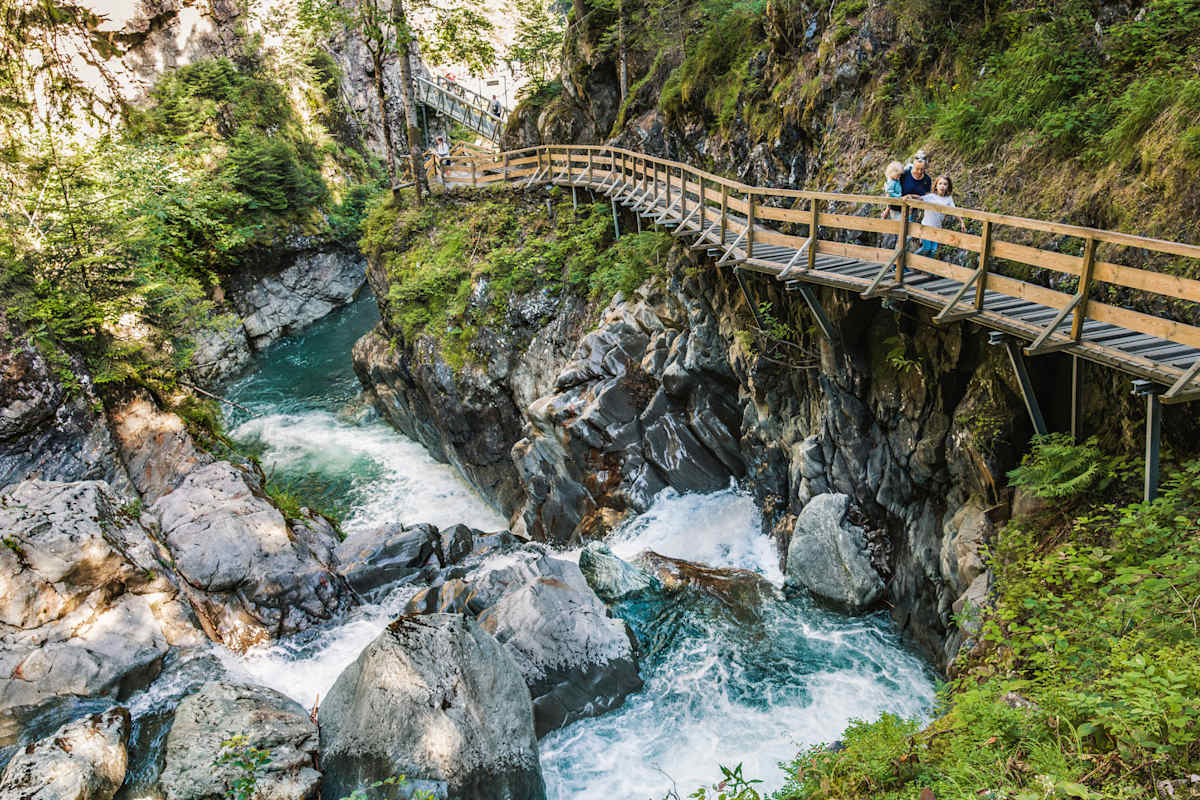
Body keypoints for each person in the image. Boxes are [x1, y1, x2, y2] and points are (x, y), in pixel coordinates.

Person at [914, 174, 956, 257]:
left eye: (945, 184)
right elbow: (919, 198)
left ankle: (926, 268)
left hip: (937, 228)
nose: (942, 186)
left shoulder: (948, 199)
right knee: (926, 248)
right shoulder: (931, 197)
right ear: (936, 186)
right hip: (926, 226)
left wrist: (961, 222)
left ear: (948, 186)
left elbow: (955, 211)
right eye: (940, 184)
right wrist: (909, 196)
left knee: (933, 250)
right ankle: (908, 260)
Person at [880, 160, 904, 249]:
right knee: (899, 228)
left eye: (900, 175)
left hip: (897, 207)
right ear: (891, 173)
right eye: (898, 175)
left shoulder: (895, 180)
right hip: (895, 206)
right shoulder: (891, 182)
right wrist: (899, 196)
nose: (899, 176)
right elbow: (889, 192)